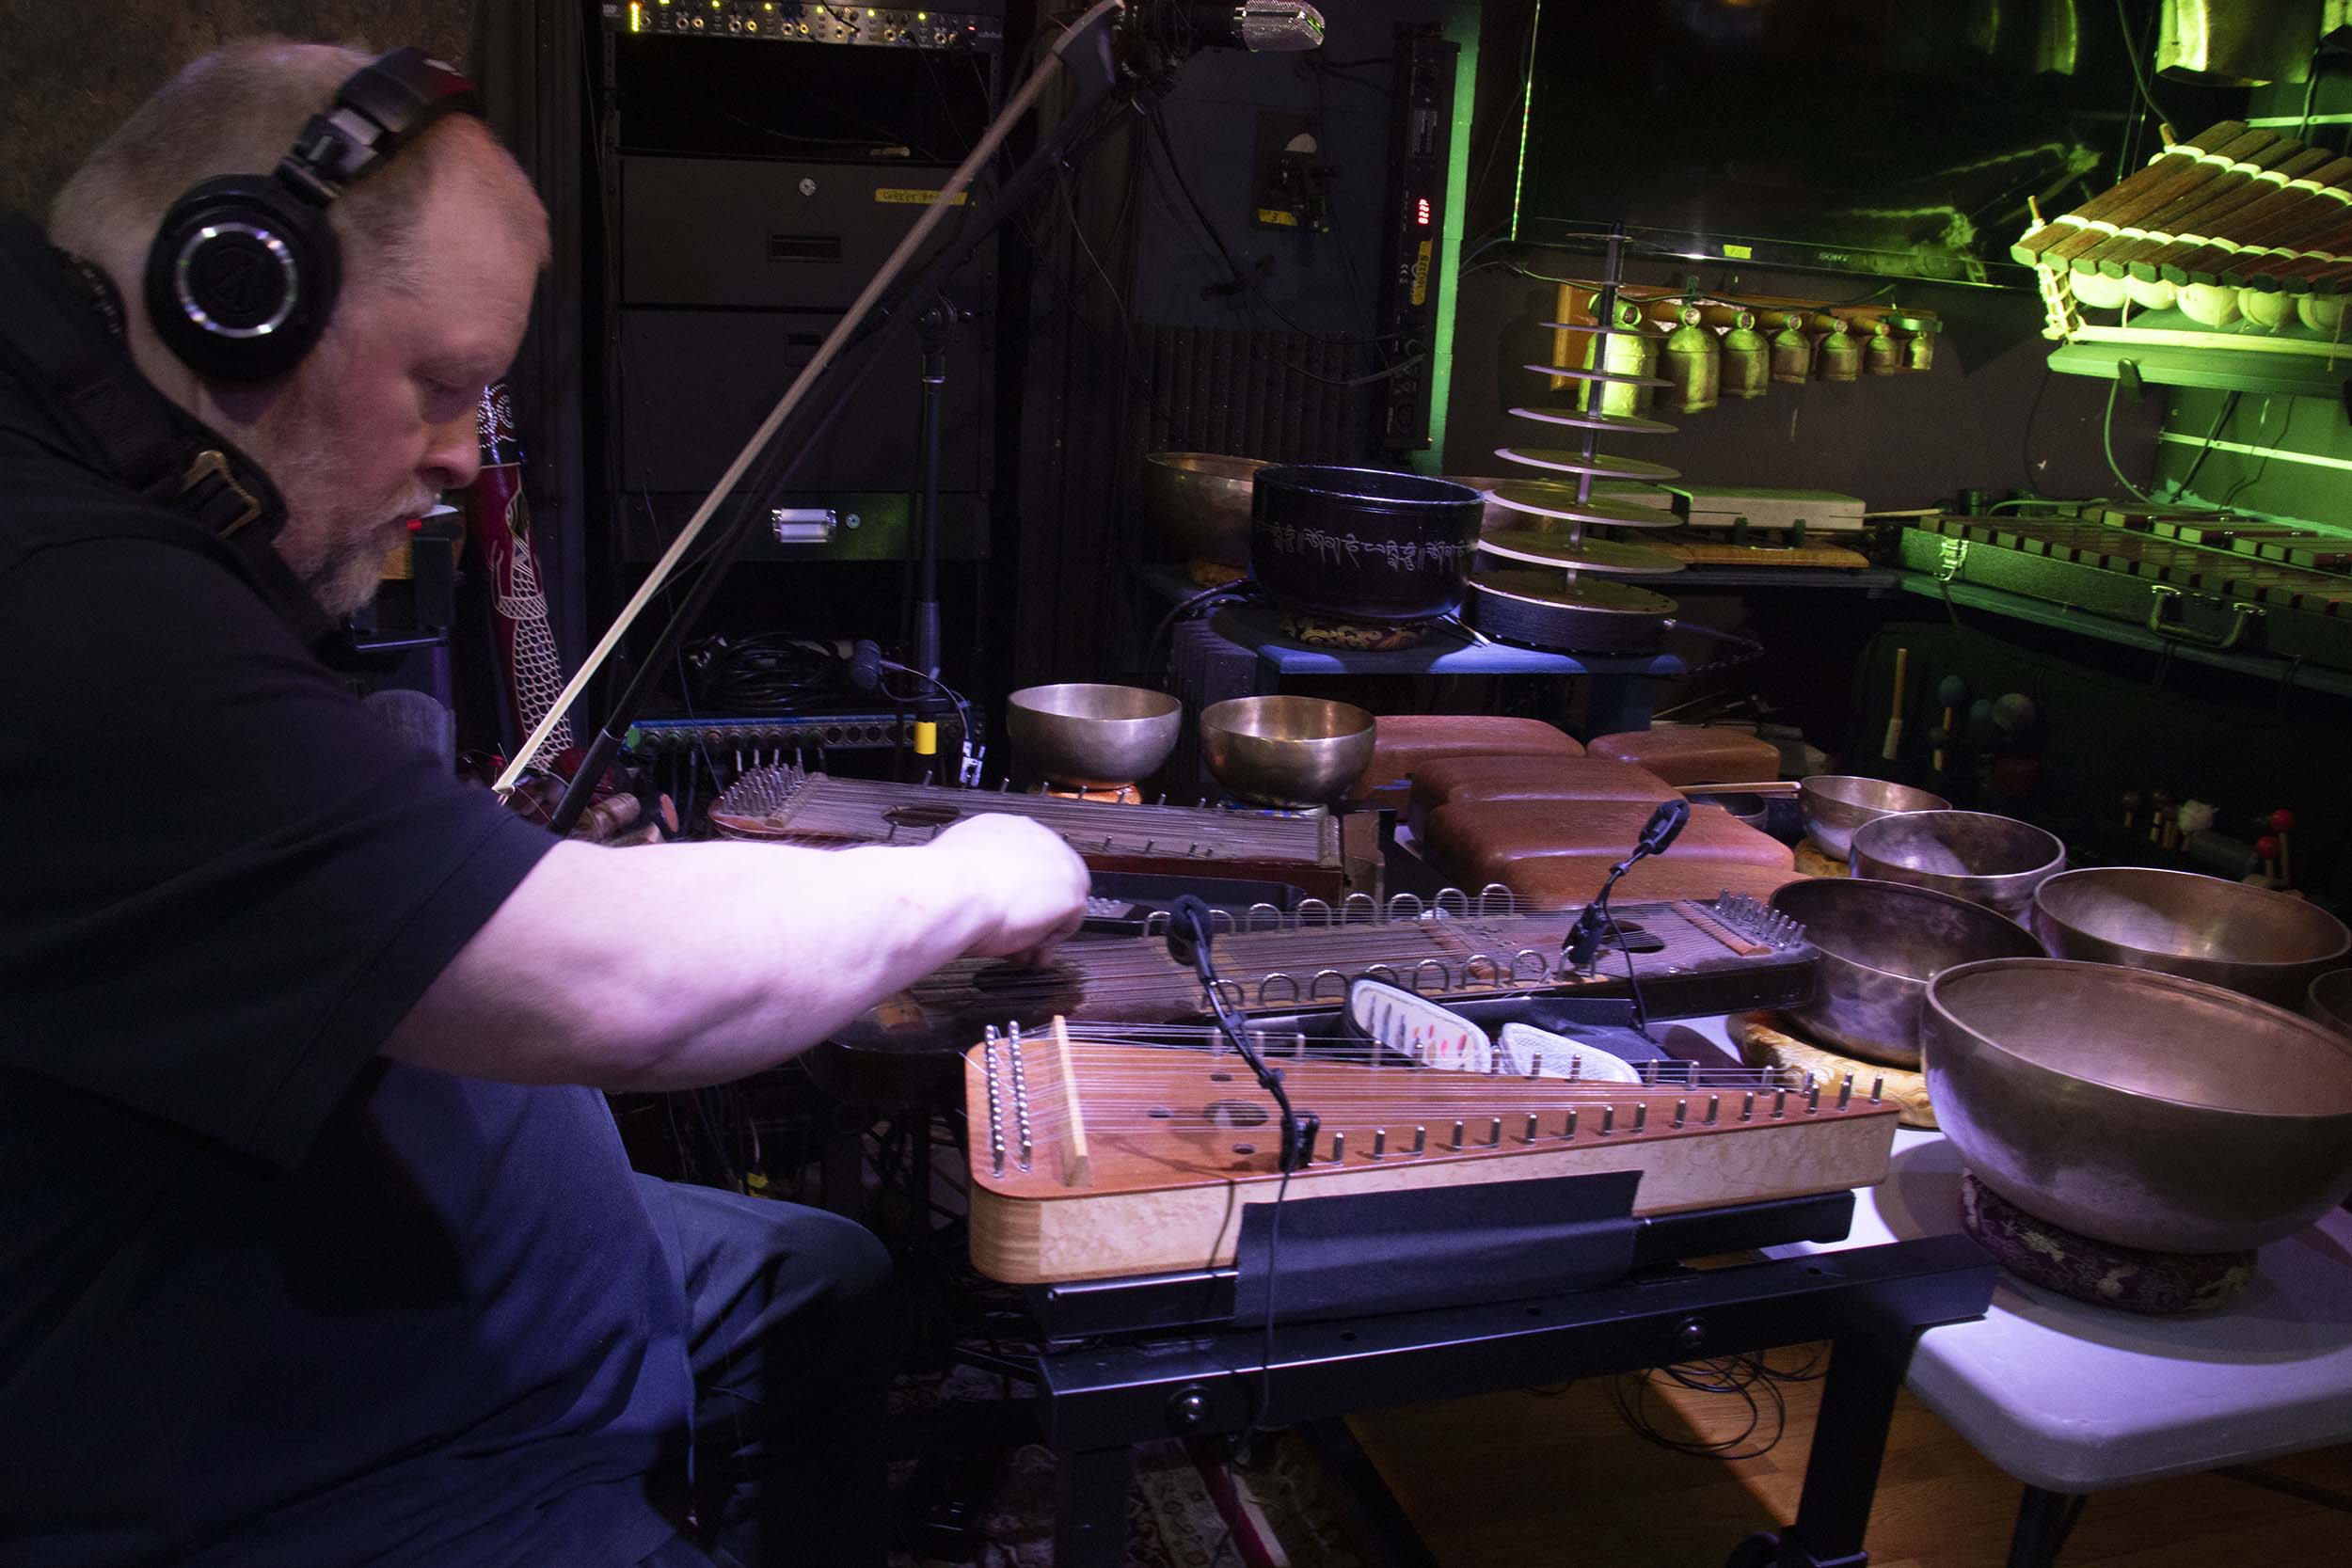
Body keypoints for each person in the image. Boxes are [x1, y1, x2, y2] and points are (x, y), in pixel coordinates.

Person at [0, 37, 1089, 1568]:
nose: (462, 456)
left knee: (820, 1279)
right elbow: (602, 984)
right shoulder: (66, 592)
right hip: (317, 1447)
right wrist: (970, 870)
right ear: (237, 294)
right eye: (444, 387)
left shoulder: (104, 473)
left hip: (405, 1273)